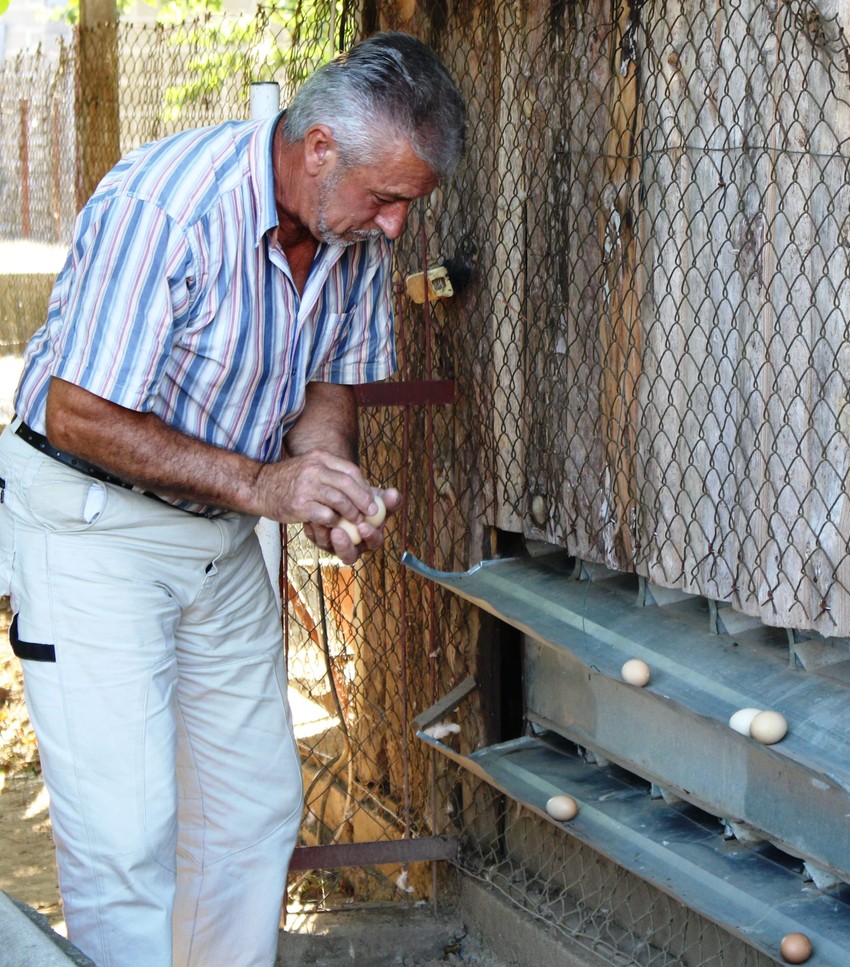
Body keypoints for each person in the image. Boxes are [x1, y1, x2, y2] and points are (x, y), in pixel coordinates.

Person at [0, 31, 465, 967]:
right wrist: (264, 484)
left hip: (217, 532)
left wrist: (328, 485)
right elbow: (77, 413)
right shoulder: (165, 208)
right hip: (92, 525)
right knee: (127, 832)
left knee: (249, 809)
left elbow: (329, 385)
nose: (395, 228)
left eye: (408, 204)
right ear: (320, 148)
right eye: (386, 198)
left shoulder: (348, 231)